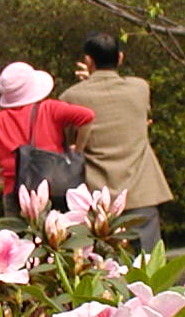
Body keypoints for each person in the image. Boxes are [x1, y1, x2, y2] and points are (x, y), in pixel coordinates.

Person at [60, 32, 171, 254]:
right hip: (141, 190)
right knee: (148, 267)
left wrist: (86, 83)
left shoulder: (70, 98)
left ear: (88, 61)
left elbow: (70, 140)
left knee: (105, 271)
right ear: (120, 58)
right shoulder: (140, 88)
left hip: (97, 195)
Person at [0, 61, 94, 219]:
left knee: (20, 241)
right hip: (57, 186)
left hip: (16, 193)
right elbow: (87, 117)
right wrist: (78, 151)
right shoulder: (50, 109)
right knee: (61, 240)